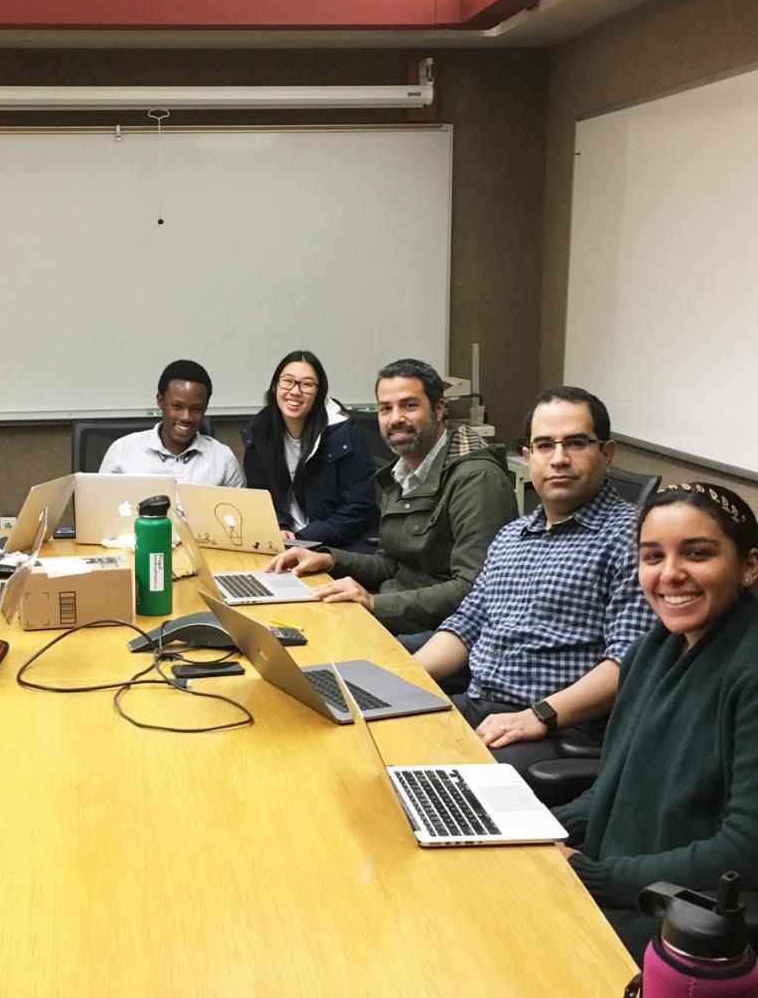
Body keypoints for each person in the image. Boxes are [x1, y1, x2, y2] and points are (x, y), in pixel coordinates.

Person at [554, 482, 758, 964]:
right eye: (652, 557)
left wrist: (591, 875)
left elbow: (743, 851)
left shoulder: (749, 668)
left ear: (749, 566)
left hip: (674, 920)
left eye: (698, 553)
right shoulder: (656, 647)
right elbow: (616, 782)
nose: (670, 575)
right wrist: (537, 834)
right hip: (610, 886)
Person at [410, 386, 657, 775]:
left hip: (557, 728)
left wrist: (538, 715)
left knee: (429, 784)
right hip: (481, 706)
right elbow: (466, 625)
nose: (559, 459)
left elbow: (630, 661)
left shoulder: (636, 538)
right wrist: (400, 679)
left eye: (576, 443)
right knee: (369, 736)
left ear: (606, 455)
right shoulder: (512, 535)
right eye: (544, 445)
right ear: (528, 457)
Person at [265, 358, 516, 635]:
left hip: (446, 632)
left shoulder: (476, 478)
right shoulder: (402, 472)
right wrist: (327, 559)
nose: (395, 418)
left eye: (409, 405)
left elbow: (473, 588)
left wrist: (375, 604)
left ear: (439, 409)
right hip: (397, 612)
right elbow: (390, 562)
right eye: (386, 408)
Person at [240, 350, 376, 551]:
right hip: (281, 544)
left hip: (336, 547)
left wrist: (303, 537)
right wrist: (279, 526)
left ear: (318, 394)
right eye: (288, 381)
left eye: (307, 384)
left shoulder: (344, 434)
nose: (295, 391)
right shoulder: (260, 432)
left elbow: (358, 509)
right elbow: (259, 495)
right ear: (275, 386)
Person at [98, 359, 243, 487]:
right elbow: (98, 508)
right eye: (177, 407)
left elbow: (241, 514)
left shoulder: (222, 459)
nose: (186, 417)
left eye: (196, 409)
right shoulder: (122, 452)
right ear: (160, 401)